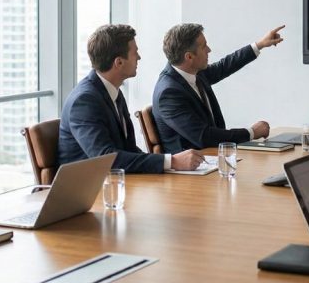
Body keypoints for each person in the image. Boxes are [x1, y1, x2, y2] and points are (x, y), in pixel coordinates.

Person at [58, 24, 204, 173]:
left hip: (116, 184)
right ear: (119, 63)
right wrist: (171, 161)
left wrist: (170, 163)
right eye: (135, 53)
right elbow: (105, 158)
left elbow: (128, 149)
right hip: (90, 191)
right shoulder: (84, 101)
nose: (139, 57)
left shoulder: (113, 91)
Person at [153, 23, 284, 152]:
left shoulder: (194, 71)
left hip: (213, 156)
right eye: (204, 47)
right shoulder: (169, 93)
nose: (209, 50)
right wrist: (251, 133)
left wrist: (260, 44)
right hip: (193, 167)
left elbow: (225, 66)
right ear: (189, 56)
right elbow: (204, 137)